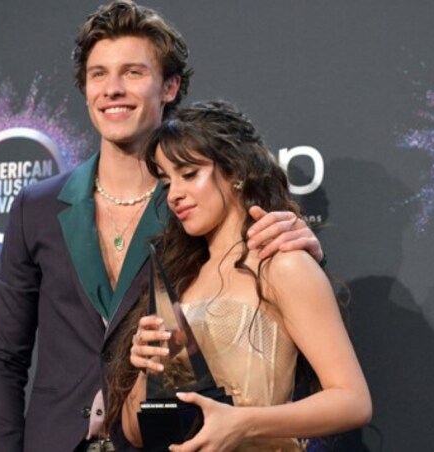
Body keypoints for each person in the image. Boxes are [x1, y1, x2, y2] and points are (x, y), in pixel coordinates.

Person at [0, 2, 324, 451]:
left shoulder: (198, 207)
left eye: (133, 72)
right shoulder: (36, 207)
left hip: (163, 441)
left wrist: (303, 248)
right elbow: (2, 356)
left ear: (170, 86)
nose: (112, 90)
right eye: (98, 74)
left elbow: (268, 294)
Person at [115, 101, 371, 451]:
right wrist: (146, 367)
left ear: (236, 171)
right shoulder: (178, 280)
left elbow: (353, 401)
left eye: (189, 174)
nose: (174, 194)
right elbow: (135, 432)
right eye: (166, 181)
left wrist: (241, 423)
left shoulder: (281, 264)